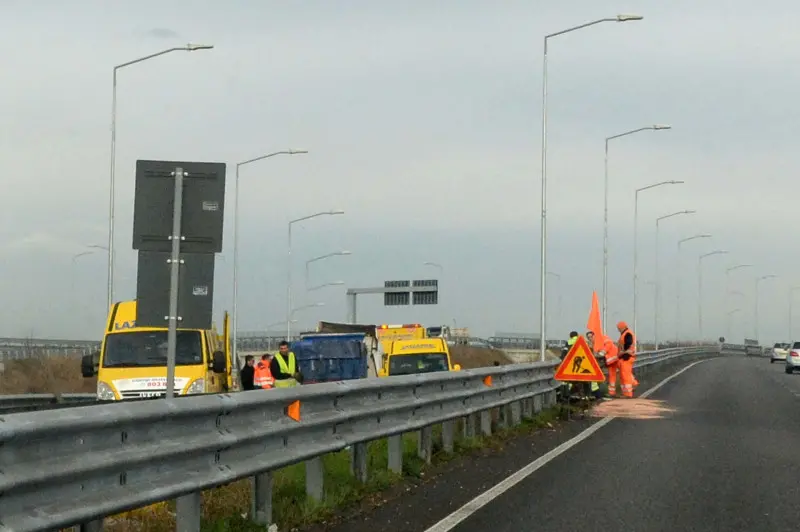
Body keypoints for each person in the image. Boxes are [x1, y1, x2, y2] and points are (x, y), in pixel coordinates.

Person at [616, 321, 636, 398]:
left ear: (622, 327)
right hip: (624, 357)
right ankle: (632, 386)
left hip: (627, 357)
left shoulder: (627, 333)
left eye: (618, 328)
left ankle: (628, 394)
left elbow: (628, 343)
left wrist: (624, 351)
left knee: (625, 376)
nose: (618, 330)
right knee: (624, 375)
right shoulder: (625, 334)